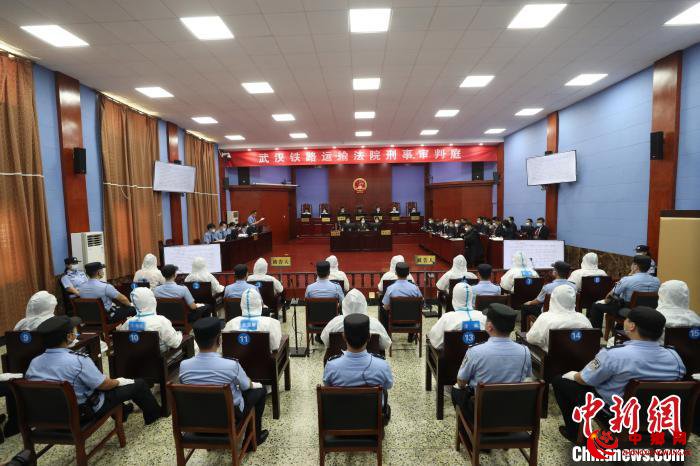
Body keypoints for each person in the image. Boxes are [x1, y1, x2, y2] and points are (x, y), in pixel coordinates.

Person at [552, 306, 686, 442]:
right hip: (660, 415)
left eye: (627, 319)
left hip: (617, 414)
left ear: (632, 326)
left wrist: (573, 375)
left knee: (561, 381)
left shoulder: (614, 354)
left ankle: (575, 434)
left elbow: (585, 379)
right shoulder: (674, 357)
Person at [27, 316, 162, 425]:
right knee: (138, 384)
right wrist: (119, 381)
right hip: (83, 413)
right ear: (69, 336)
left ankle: (124, 411)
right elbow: (104, 385)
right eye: (73, 330)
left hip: (50, 415)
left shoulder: (34, 363)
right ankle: (154, 417)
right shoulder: (78, 360)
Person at [180, 317, 268, 446]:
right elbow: (246, 386)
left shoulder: (184, 366)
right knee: (260, 390)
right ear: (219, 340)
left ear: (196, 341)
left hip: (196, 421)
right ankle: (253, 440)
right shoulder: (230, 365)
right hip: (228, 420)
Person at [451, 304, 532, 418]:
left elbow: (461, 381)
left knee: (457, 390)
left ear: (489, 327)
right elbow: (527, 378)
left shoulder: (475, 351)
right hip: (513, 412)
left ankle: (468, 425)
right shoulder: (524, 351)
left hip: (483, 414)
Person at [323, 313, 393, 424]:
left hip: (340, 420)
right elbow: (388, 385)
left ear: (344, 337)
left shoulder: (331, 365)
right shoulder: (382, 365)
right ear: (369, 337)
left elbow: (327, 386)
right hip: (371, 421)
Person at [587, 255, 660, 330]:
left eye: (633, 264)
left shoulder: (627, 280)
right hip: (648, 311)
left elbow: (609, 297)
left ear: (636, 266)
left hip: (630, 311)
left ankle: (596, 333)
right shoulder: (657, 281)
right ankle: (619, 330)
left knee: (596, 305)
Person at [526, 285, 592, 351]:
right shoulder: (583, 319)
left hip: (551, 357)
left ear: (553, 298)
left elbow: (531, 339)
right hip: (581, 356)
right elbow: (590, 341)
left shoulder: (545, 318)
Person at [321, 289, 391, 350]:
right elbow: (385, 345)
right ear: (364, 304)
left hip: (339, 357)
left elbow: (326, 341)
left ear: (345, 304)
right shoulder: (374, 323)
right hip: (371, 359)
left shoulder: (335, 322)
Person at [118, 287, 183, 352]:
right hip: (160, 356)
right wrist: (180, 334)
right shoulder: (161, 321)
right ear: (152, 300)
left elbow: (122, 341)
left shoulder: (128, 322)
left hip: (134, 356)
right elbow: (174, 343)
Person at [428, 283, 485, 350]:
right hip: (480, 356)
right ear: (471, 297)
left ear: (454, 297)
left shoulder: (447, 318)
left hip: (451, 356)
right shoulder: (484, 317)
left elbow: (435, 341)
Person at [381, 262, 422, 338]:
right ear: (408, 273)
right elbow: (421, 303)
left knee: (383, 309)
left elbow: (386, 306)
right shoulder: (415, 288)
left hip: (394, 322)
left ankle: (387, 336)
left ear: (396, 273)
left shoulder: (390, 289)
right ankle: (411, 334)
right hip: (412, 322)